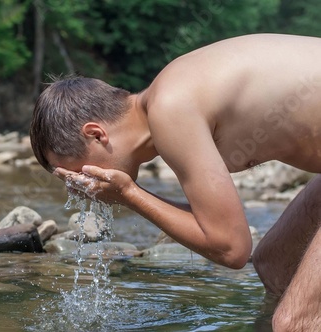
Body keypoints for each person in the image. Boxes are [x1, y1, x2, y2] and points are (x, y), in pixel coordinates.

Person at [29, 33, 321, 331]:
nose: (82, 184)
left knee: (293, 322)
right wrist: (130, 194)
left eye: (77, 172)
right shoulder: (166, 101)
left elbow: (232, 248)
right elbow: (217, 226)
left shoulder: (169, 108)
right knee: (274, 265)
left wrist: (129, 194)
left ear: (96, 134)